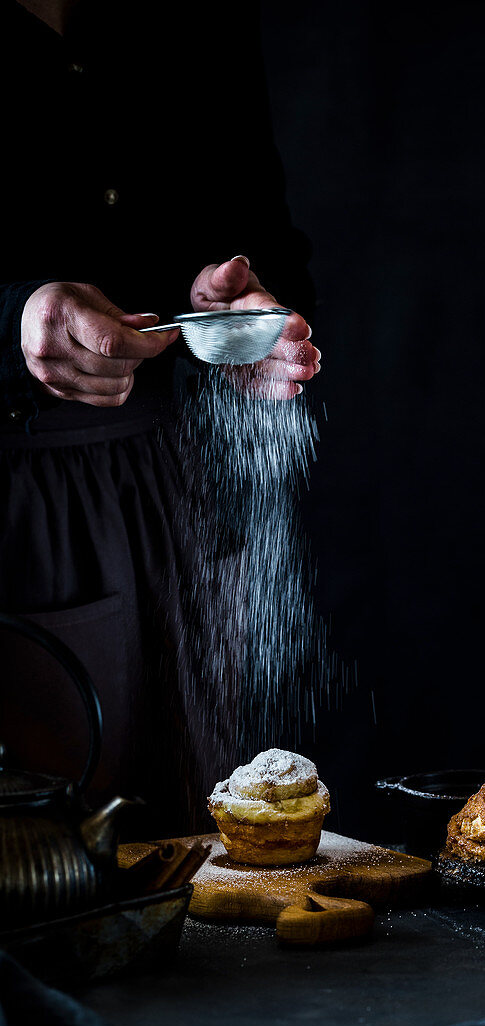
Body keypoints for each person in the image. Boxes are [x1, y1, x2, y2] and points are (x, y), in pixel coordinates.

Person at [0, 0, 319, 835]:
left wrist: (245, 308)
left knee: (189, 843)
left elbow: (258, 223)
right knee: (43, 865)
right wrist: (10, 318)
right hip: (15, 499)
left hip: (172, 477)